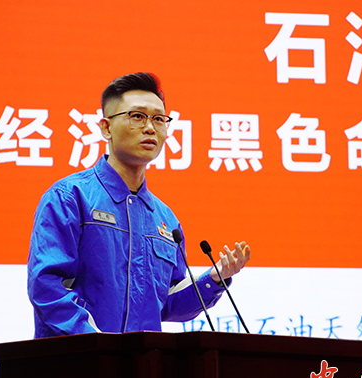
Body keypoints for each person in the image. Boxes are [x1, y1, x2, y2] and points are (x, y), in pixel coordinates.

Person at [27, 72, 250, 338]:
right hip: (79, 358)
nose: (150, 128)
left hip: (143, 361)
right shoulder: (70, 197)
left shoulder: (165, 219)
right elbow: (47, 286)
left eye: (159, 119)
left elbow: (167, 302)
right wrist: (98, 343)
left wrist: (214, 279)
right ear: (106, 128)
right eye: (137, 116)